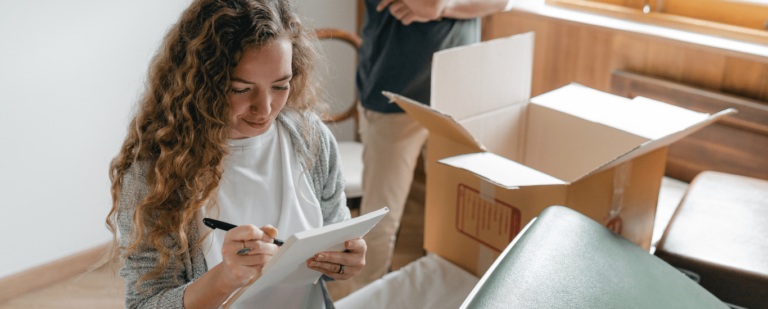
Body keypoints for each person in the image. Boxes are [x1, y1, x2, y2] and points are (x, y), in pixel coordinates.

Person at [99, 1, 365, 308]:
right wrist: (225, 278)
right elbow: (143, 304)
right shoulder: (155, 173)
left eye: (281, 85)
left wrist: (344, 261)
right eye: (240, 89)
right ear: (202, 83)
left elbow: (333, 245)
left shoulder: (312, 138)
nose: (265, 109)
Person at [326, 0, 512, 299]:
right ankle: (363, 299)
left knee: (457, 218)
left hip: (459, 92)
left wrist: (445, 7)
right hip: (394, 91)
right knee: (380, 218)